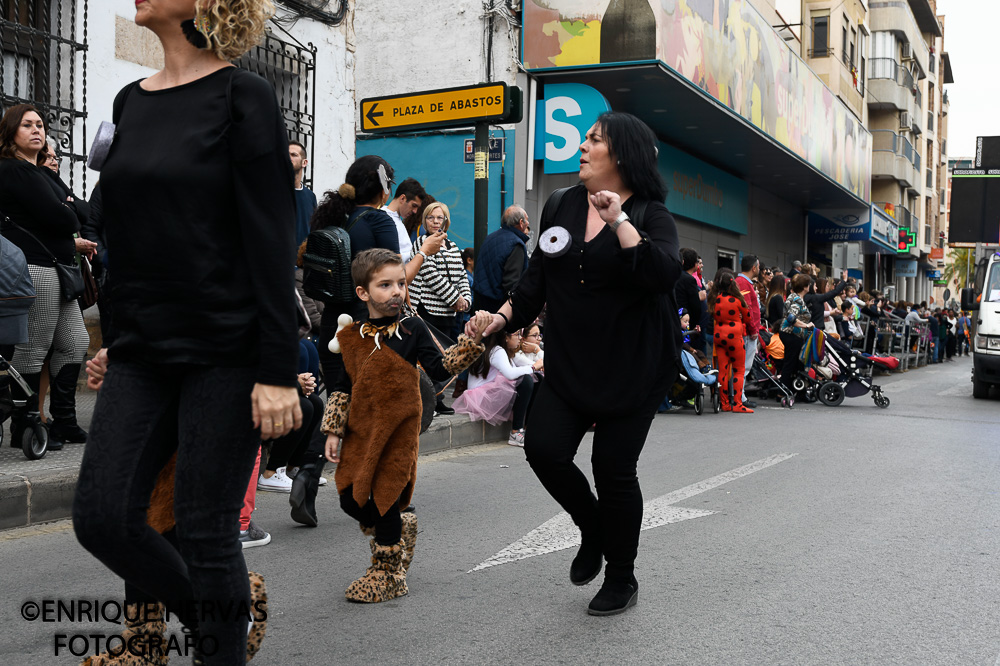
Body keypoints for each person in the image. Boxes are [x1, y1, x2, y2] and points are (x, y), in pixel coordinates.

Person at [70, 2, 302, 662]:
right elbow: (129, 237)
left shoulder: (243, 96)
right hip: (143, 350)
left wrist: (278, 370)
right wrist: (114, 337)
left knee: (204, 530)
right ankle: (223, 621)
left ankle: (218, 642)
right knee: (103, 518)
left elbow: (269, 238)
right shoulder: (129, 101)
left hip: (225, 349)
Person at [473, 111, 682, 616]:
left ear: (622, 155)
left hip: (634, 366)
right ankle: (592, 528)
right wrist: (497, 318)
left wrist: (619, 221)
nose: (582, 146)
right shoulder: (562, 203)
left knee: (613, 469)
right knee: (543, 449)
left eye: (594, 140)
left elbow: (661, 275)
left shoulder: (651, 214)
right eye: (585, 138)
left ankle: (622, 576)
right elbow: (536, 281)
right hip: (571, 363)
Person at [321, 248, 490, 602]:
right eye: (385, 285)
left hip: (399, 431)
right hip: (361, 431)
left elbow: (441, 368)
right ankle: (398, 529)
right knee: (349, 499)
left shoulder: (412, 327)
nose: (397, 291)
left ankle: (388, 573)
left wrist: (472, 342)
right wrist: (334, 429)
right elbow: (342, 385)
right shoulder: (352, 336)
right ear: (363, 293)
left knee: (385, 499)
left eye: (401, 283)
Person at [0, 104, 93, 450]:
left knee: (75, 341)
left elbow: (81, 210)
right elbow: (67, 219)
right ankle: (24, 426)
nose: (37, 130)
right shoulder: (12, 171)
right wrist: (67, 207)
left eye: (40, 124)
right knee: (33, 348)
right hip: (35, 266)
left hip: (60, 267)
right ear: (11, 133)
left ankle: (64, 421)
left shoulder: (41, 171)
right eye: (27, 125)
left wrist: (67, 206)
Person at [311, 157, 444, 390]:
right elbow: (396, 281)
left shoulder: (336, 215)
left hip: (333, 325)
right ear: (383, 189)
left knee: (338, 407)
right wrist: (423, 252)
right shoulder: (378, 220)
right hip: (368, 330)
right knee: (370, 414)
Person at [409, 201, 470, 415]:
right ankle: (428, 399)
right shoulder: (421, 243)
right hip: (426, 309)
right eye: (431, 218)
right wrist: (455, 299)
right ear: (425, 221)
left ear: (446, 220)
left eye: (440, 217)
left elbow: (462, 275)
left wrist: (466, 300)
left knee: (444, 356)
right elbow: (430, 275)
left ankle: (436, 397)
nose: (436, 222)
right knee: (429, 356)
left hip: (448, 313)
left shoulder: (452, 246)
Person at [453, 328, 539, 445]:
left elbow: (533, 365)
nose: (520, 338)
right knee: (526, 380)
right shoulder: (497, 350)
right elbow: (510, 374)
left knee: (537, 378)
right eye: (517, 334)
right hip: (483, 399)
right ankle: (516, 432)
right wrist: (535, 366)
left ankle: (528, 428)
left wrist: (537, 356)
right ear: (506, 337)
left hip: (488, 395)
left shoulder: (505, 351)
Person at [472, 205, 531, 314]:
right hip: (498, 308)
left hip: (480, 302)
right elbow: (512, 284)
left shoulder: (490, 237)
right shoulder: (516, 244)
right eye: (527, 220)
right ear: (521, 222)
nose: (528, 223)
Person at [710, 271, 753, 413]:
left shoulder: (715, 299)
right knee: (739, 371)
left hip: (719, 335)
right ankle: (738, 404)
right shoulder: (737, 300)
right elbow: (748, 318)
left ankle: (725, 404)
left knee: (723, 370)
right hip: (734, 337)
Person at [779, 274, 815, 392]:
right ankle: (783, 391)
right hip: (791, 334)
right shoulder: (797, 300)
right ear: (804, 287)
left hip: (790, 334)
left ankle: (791, 389)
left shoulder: (794, 296)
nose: (809, 286)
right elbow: (791, 318)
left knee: (792, 362)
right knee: (790, 363)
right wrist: (806, 325)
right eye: (808, 284)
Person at [734, 255, 761, 409]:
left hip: (744, 330)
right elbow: (748, 309)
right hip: (746, 332)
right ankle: (740, 397)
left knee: (741, 366)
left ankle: (737, 395)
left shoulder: (741, 282)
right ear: (754, 268)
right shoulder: (744, 283)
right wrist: (752, 329)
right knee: (744, 366)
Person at [383, 177, 426, 262]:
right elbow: (389, 258)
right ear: (402, 198)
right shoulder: (384, 218)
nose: (415, 211)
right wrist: (420, 253)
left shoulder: (396, 219)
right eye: (414, 205)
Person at [674, 248, 706, 351]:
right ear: (694, 264)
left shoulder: (675, 275)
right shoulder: (689, 279)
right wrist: (694, 325)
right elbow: (695, 306)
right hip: (686, 323)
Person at [289, 140, 317, 246]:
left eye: (293, 155)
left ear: (304, 162)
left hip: (303, 258)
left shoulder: (310, 196)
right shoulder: (275, 192)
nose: (288, 157)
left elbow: (313, 229)